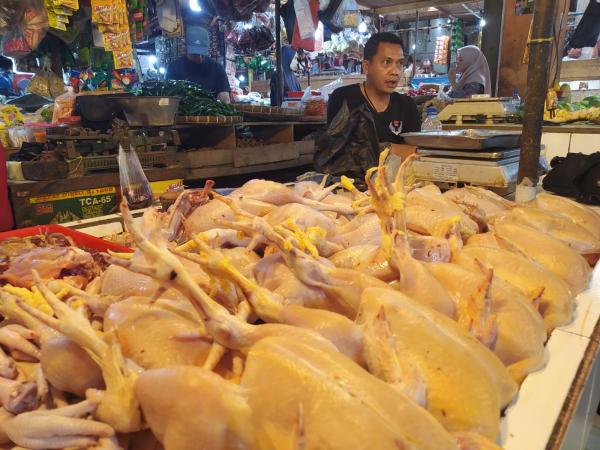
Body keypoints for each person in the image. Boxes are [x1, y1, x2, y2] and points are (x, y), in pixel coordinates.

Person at [326, 32, 420, 144]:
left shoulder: (407, 106)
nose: (395, 72)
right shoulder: (343, 99)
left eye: (400, 63)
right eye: (386, 62)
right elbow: (334, 151)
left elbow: (413, 152)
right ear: (366, 67)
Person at [166, 25, 231, 103]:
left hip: (210, 114)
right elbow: (169, 98)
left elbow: (224, 98)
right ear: (185, 47)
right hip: (181, 113)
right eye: (195, 54)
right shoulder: (174, 68)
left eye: (203, 53)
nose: (200, 58)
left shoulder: (217, 68)